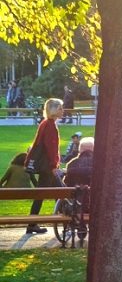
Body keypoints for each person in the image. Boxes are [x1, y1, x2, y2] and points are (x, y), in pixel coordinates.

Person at [27, 97, 63, 228]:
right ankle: (32, 224)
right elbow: (51, 147)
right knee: (45, 194)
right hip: (48, 167)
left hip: (46, 167)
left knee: (58, 192)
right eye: (60, 108)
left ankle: (63, 219)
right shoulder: (50, 125)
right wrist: (54, 165)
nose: (62, 111)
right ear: (53, 110)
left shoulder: (44, 123)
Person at [62, 135, 95, 221]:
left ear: (80, 150)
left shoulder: (72, 163)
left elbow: (66, 183)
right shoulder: (99, 163)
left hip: (76, 202)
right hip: (94, 203)